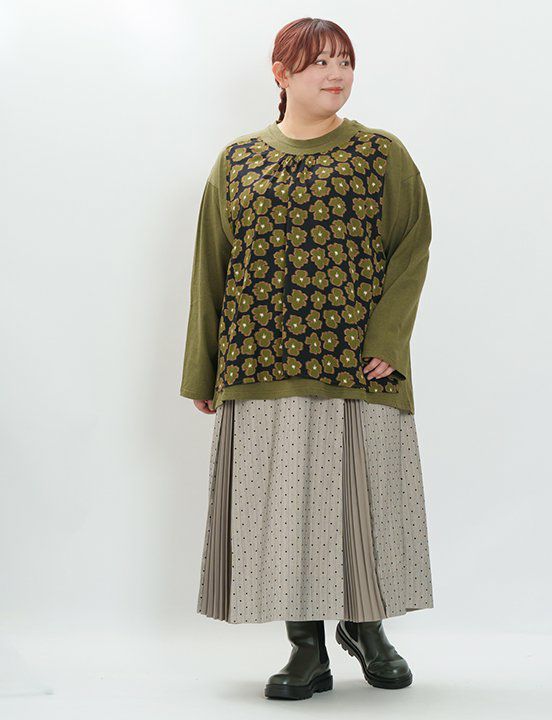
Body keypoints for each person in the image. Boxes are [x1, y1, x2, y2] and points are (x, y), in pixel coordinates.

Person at [180, 17, 434, 701]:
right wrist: (203, 369)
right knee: (285, 515)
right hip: (259, 364)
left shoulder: (381, 154)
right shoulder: (238, 161)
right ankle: (307, 650)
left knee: (360, 506)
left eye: (345, 61)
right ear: (281, 73)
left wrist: (387, 341)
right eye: (320, 61)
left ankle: (367, 628)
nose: (336, 73)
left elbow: (411, 249)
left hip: (356, 366)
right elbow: (211, 268)